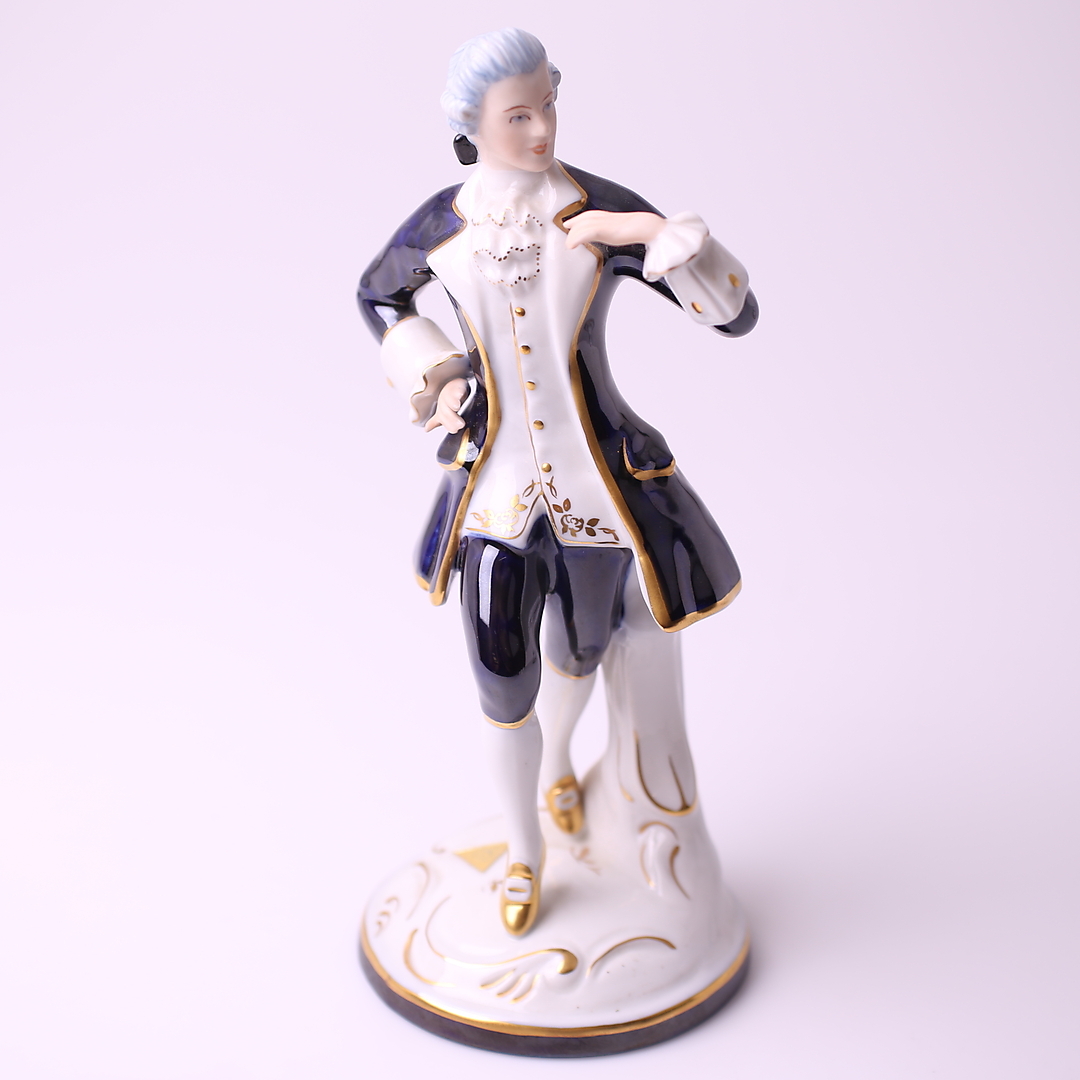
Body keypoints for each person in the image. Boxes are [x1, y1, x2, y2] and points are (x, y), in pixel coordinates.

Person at [358, 28, 758, 937]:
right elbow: (378, 296)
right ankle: (524, 852)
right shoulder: (440, 226)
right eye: (518, 116)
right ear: (472, 126)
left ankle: (558, 770)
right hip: (494, 501)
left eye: (549, 105)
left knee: (578, 653)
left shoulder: (598, 208)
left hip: (592, 492)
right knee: (502, 683)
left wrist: (653, 234)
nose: (541, 130)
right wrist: (435, 371)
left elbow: (733, 314)